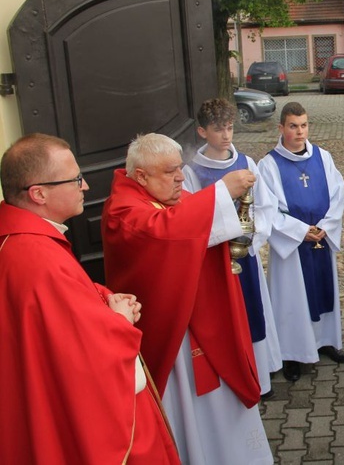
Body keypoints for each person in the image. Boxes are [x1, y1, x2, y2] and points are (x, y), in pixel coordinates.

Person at [0, 134, 179, 464]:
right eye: (76, 179)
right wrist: (120, 319)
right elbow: (90, 356)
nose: (85, 187)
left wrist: (101, 297)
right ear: (38, 193)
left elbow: (55, 315)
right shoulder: (40, 260)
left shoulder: (21, 240)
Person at [102, 133, 273, 464]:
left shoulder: (159, 195)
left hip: (203, 318)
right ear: (141, 176)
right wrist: (221, 192)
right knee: (188, 411)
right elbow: (164, 233)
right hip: (172, 334)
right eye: (170, 171)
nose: (181, 177)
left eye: (180, 168)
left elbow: (187, 221)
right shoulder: (123, 210)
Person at [182, 98, 282, 398]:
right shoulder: (191, 172)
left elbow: (265, 205)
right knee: (225, 319)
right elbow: (191, 215)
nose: (226, 136)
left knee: (252, 312)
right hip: (214, 258)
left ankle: (260, 378)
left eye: (229, 128)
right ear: (202, 132)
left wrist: (253, 237)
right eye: (218, 129)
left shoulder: (247, 163)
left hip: (244, 254)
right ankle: (230, 379)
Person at [258, 102, 344, 382]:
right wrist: (299, 231)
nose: (300, 132)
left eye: (304, 125)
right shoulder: (269, 165)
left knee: (324, 293)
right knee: (292, 301)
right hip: (293, 246)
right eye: (293, 126)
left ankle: (325, 342)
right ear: (281, 128)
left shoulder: (323, 157)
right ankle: (292, 354)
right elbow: (267, 208)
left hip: (320, 238)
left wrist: (324, 226)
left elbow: (338, 193)